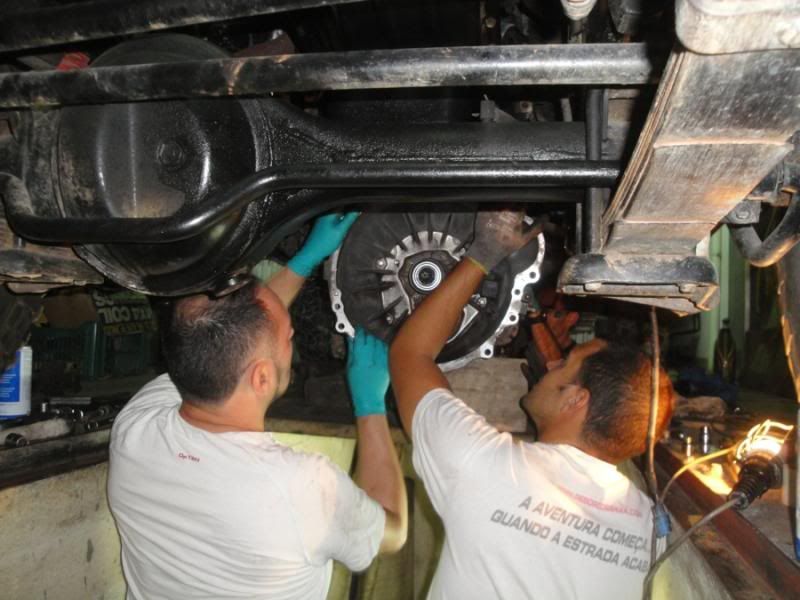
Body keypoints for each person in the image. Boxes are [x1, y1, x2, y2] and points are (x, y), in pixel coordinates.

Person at [108, 214, 407, 600]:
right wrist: (370, 405)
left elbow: (232, 334)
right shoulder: (303, 487)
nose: (292, 337)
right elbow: (393, 531)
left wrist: (306, 258)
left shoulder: (136, 427)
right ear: (261, 378)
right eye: (289, 336)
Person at [389, 210, 673, 600]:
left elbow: (410, 354)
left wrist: (483, 255)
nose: (552, 364)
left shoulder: (486, 468)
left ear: (577, 399)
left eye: (565, 364)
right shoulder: (648, 527)